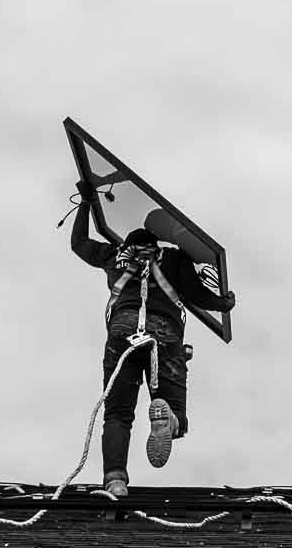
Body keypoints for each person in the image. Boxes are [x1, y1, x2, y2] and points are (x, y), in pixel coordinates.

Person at [71, 184, 235, 497]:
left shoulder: (113, 257)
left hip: (123, 334)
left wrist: (86, 203)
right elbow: (194, 294)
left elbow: (78, 243)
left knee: (118, 413)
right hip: (162, 334)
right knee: (174, 400)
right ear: (156, 243)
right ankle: (171, 419)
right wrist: (223, 304)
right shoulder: (172, 259)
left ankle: (115, 481)